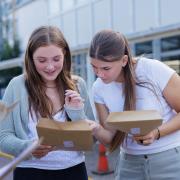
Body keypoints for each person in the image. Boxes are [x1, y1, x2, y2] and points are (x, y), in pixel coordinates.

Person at [0, 26, 94, 180]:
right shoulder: (17, 85)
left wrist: (77, 113)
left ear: (65, 54)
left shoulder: (78, 84)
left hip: (74, 171)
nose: (50, 67)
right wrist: (28, 147)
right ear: (31, 58)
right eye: (42, 60)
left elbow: (91, 140)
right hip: (30, 172)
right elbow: (3, 137)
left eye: (56, 59)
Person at [88, 29, 180, 180]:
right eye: (94, 67)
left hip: (170, 161)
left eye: (106, 68)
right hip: (129, 165)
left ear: (124, 60)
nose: (99, 74)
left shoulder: (152, 69)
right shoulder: (98, 88)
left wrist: (157, 133)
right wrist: (96, 129)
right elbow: (111, 138)